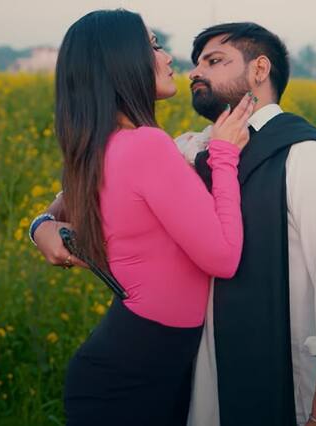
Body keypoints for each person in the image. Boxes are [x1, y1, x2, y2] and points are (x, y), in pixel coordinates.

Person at [33, 21, 316, 426]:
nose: (193, 71)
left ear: (259, 69)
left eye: (214, 61)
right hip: (197, 392)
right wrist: (41, 224)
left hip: (283, 386)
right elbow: (80, 190)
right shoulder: (189, 148)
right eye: (196, 62)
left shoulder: (308, 158)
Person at [38, 9, 256, 426]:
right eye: (154, 45)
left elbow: (59, 207)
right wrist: (225, 154)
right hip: (132, 377)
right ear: (120, 61)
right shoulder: (145, 146)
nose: (168, 57)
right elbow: (224, 257)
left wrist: (39, 226)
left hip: (131, 365)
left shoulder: (98, 147)